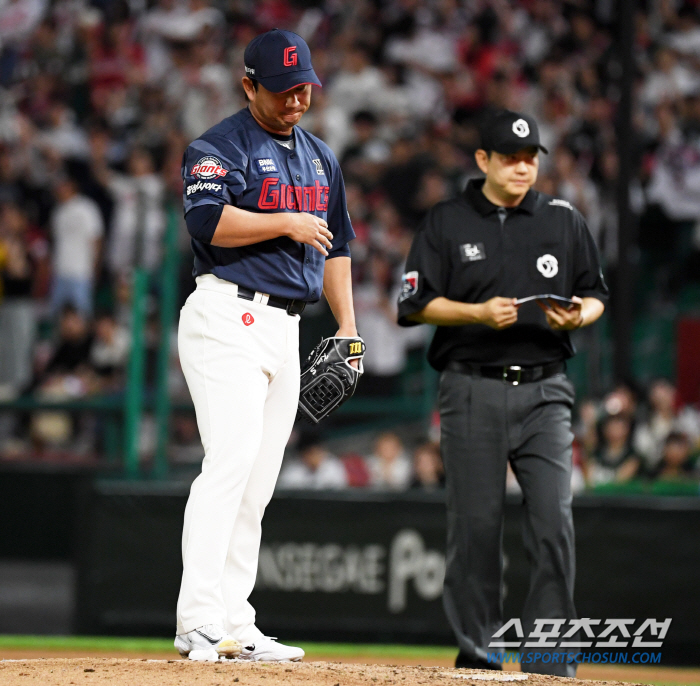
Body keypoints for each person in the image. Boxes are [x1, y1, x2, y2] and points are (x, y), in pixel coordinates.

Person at [397, 110, 608, 676]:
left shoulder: (563, 220)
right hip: (471, 388)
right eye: (510, 156)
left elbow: (594, 293)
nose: (523, 165)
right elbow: (413, 305)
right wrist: (475, 313)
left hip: (547, 391)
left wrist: (579, 317)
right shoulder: (447, 221)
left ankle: (549, 657)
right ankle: (482, 652)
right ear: (483, 160)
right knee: (475, 530)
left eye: (531, 156)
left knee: (553, 523)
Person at [174, 29, 358, 663]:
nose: (295, 99)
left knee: (257, 483)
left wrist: (349, 328)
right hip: (227, 315)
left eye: (303, 86)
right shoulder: (217, 146)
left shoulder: (321, 158)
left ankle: (233, 619)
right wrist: (284, 220)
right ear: (248, 85)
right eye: (282, 89)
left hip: (288, 326)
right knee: (228, 466)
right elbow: (207, 221)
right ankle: (196, 619)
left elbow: (337, 249)